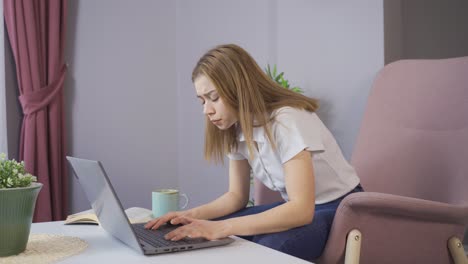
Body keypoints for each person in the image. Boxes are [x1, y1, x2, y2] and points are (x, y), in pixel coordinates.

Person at [145, 44, 363, 260]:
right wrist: (188, 215)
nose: (207, 110)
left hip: (340, 207)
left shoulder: (287, 120)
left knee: (266, 246)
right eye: (202, 101)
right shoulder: (236, 128)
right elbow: (236, 196)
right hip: (302, 208)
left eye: (214, 97)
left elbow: (301, 210)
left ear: (239, 87)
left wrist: (220, 227)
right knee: (211, 235)